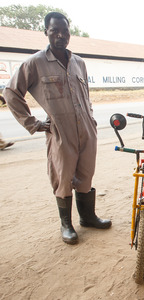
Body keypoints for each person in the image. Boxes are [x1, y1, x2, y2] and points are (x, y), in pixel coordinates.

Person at [3, 12, 111, 244]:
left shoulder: (79, 62)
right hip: (60, 132)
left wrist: (90, 119)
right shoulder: (35, 62)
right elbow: (10, 93)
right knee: (63, 178)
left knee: (85, 175)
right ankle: (67, 225)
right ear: (46, 32)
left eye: (65, 31)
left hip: (86, 130)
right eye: (55, 31)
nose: (61, 36)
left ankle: (88, 217)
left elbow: (86, 96)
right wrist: (34, 124)